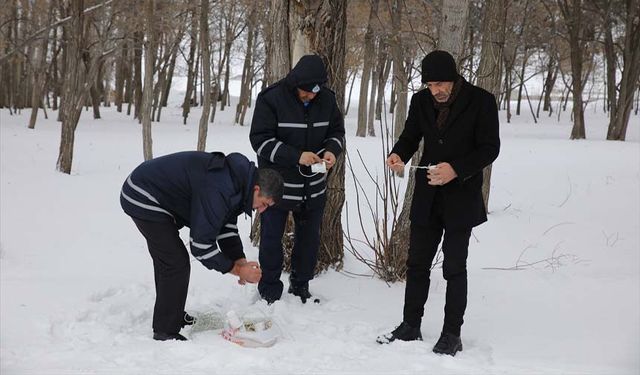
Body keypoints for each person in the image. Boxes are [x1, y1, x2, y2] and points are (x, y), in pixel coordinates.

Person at [376, 50, 500, 356]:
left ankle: (451, 334)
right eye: (430, 84)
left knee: (454, 267)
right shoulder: (420, 102)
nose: (436, 90)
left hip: (462, 197)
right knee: (416, 263)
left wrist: (456, 169)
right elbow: (410, 136)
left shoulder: (481, 100)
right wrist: (398, 155)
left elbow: (489, 148)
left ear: (454, 78)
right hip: (427, 197)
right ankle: (410, 325)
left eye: (441, 83)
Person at [120, 151, 283, 341]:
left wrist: (239, 259)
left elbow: (225, 225)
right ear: (256, 189)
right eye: (264, 204)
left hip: (152, 192)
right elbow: (200, 245)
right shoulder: (220, 187)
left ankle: (172, 314)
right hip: (142, 195)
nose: (262, 210)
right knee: (175, 262)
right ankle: (165, 330)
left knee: (169, 260)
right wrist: (237, 270)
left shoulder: (238, 183)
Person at [249, 55, 345, 304]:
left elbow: (337, 132)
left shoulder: (328, 99)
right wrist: (296, 156)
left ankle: (301, 284)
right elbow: (260, 141)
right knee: (271, 238)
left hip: (312, 187)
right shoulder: (271, 98)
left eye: (315, 92)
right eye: (306, 92)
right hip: (277, 186)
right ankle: (269, 288)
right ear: (295, 83)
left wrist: (331, 151)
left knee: (309, 239)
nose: (310, 96)